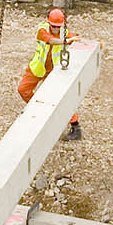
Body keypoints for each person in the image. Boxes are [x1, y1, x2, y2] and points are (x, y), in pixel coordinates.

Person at [20, 9, 82, 140]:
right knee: (23, 89)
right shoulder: (42, 30)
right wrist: (67, 41)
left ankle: (75, 125)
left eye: (58, 26)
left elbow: (76, 40)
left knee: (60, 99)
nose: (55, 28)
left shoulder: (65, 33)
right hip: (37, 67)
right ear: (48, 23)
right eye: (53, 26)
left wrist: (78, 40)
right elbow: (50, 40)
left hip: (53, 72)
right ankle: (39, 111)